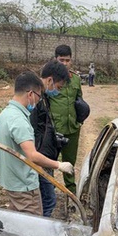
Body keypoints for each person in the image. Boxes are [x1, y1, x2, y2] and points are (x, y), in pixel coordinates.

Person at [0, 71, 74, 216]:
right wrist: (59, 165)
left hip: (11, 183)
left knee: (17, 222)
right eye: (38, 96)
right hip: (24, 187)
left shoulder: (5, 114)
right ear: (31, 94)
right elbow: (32, 156)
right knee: (32, 227)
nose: (38, 101)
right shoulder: (19, 121)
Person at [30, 61, 70, 217]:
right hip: (39, 159)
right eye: (58, 87)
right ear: (50, 81)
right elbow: (32, 133)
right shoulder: (34, 100)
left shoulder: (43, 98)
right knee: (48, 200)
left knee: (46, 198)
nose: (57, 92)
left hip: (44, 157)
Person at [48, 44, 83, 194]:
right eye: (61, 60)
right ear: (55, 59)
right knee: (50, 160)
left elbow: (79, 100)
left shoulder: (75, 79)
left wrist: (80, 120)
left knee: (70, 162)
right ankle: (49, 189)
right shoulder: (49, 80)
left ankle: (71, 193)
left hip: (72, 127)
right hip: (54, 129)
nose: (65, 63)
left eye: (67, 60)